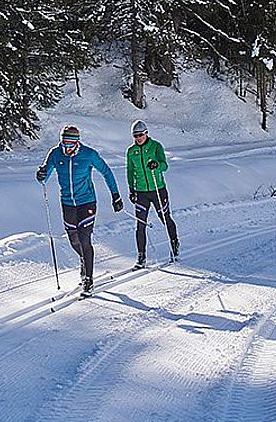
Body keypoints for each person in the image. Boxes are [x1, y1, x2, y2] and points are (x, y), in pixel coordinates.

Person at [36, 125, 122, 294]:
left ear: (77, 142)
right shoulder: (55, 154)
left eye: (70, 144)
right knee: (73, 239)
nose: (66, 148)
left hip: (87, 202)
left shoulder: (89, 154)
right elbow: (44, 176)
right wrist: (40, 175)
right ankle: (83, 259)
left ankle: (88, 280)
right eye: (64, 143)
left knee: (84, 239)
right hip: (67, 203)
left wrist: (116, 195)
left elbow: (106, 172)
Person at [126, 120, 177, 266]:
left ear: (146, 133)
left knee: (165, 218)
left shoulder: (156, 146)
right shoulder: (131, 151)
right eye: (135, 136)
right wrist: (131, 188)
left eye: (140, 135)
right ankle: (141, 256)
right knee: (140, 224)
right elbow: (130, 171)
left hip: (157, 189)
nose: (138, 138)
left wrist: (157, 165)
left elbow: (164, 165)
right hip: (141, 192)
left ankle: (174, 244)